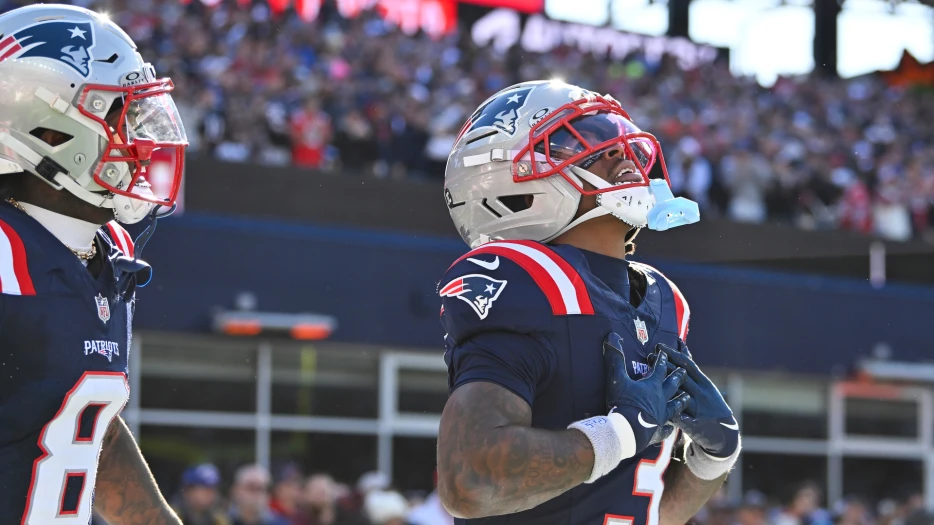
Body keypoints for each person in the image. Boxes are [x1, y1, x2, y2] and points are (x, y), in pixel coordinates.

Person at [436, 81, 742, 524]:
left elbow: (645, 510)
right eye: (581, 138)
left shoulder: (662, 300)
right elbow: (468, 481)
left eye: (613, 131)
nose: (619, 149)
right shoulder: (529, 280)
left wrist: (713, 458)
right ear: (510, 183)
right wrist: (616, 434)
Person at [0, 4, 187, 524]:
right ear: (46, 130)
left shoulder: (108, 252)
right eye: (116, 112)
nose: (141, 137)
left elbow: (78, 424)